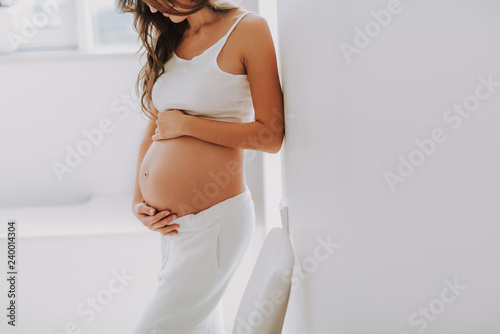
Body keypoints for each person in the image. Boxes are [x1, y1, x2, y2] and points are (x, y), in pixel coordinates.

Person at [117, 0, 284, 332]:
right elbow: (155, 128)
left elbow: (270, 134)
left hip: (215, 225)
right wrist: (139, 200)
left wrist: (188, 126)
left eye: (156, 0)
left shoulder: (248, 29)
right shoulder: (174, 37)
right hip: (174, 229)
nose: (151, 9)